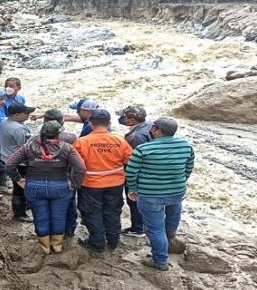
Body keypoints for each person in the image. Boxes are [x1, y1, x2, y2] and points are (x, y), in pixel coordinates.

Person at [5, 121, 86, 254]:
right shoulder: (67, 148)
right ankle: (57, 245)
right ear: (58, 134)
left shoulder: (28, 146)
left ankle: (45, 246)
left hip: (35, 186)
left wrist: (19, 180)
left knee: (40, 216)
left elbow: (9, 164)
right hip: (60, 186)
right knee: (59, 216)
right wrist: (75, 184)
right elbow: (80, 168)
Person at [126, 117, 194, 271]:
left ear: (157, 130)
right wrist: (181, 181)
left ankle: (160, 261)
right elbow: (189, 166)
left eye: (153, 127)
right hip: (177, 191)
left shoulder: (144, 149)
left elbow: (131, 172)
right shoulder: (185, 146)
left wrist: (133, 188)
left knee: (155, 229)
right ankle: (170, 235)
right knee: (173, 213)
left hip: (150, 195)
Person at [73, 109, 133, 253]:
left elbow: (75, 164)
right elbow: (130, 160)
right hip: (115, 184)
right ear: (109, 123)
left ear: (91, 123)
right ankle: (113, 239)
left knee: (92, 212)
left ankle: (97, 242)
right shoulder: (119, 140)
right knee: (113, 211)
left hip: (91, 184)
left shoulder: (82, 142)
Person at [117, 105, 152, 238]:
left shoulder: (135, 137)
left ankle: (138, 228)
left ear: (131, 119)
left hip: (138, 175)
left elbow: (133, 160)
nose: (121, 119)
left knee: (133, 200)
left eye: (124, 117)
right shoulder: (148, 126)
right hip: (149, 173)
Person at [43, 109, 79, 237]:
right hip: (66, 177)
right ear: (62, 122)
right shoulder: (71, 138)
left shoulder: (33, 140)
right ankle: (69, 229)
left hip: (43, 177)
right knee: (69, 204)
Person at [0, 102, 35, 222]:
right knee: (20, 186)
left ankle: (23, 207)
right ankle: (19, 213)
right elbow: (25, 146)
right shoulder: (18, 128)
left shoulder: (5, 121)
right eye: (26, 113)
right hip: (19, 162)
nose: (28, 115)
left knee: (19, 186)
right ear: (16, 115)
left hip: (7, 157)